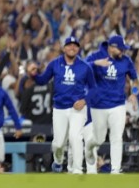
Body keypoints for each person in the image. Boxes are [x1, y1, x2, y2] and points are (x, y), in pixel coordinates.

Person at [30, 36, 96, 174]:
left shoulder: (85, 67)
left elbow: (94, 89)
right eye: (69, 45)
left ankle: (77, 169)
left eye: (75, 45)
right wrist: (34, 75)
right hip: (59, 108)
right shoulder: (54, 64)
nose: (72, 47)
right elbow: (42, 81)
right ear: (64, 48)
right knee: (58, 144)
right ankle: (58, 161)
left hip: (77, 108)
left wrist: (84, 101)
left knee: (75, 137)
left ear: (78, 48)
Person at [85, 35, 139, 174]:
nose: (122, 51)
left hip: (118, 104)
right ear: (111, 47)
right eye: (120, 49)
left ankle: (115, 170)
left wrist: (133, 93)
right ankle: (90, 155)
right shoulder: (96, 55)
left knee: (116, 137)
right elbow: (81, 69)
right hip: (98, 105)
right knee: (99, 138)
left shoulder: (126, 60)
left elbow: (135, 79)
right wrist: (95, 63)